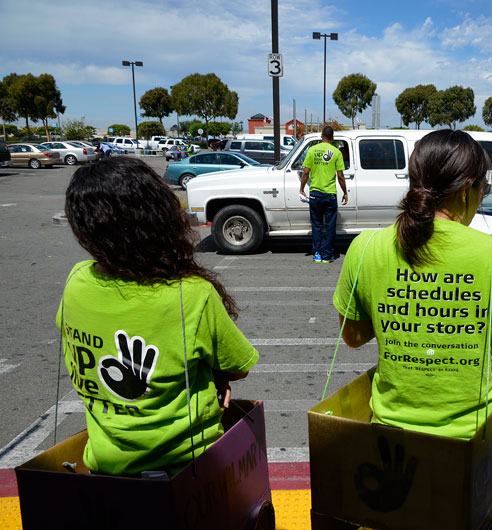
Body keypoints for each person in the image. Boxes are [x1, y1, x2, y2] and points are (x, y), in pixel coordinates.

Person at [333, 129, 492, 439]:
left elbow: (352, 336)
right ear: (465, 190)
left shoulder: (366, 246)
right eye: (483, 188)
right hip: (474, 443)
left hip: (389, 443)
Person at [58, 157, 259, 477]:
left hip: (106, 470)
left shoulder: (77, 281)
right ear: (158, 218)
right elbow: (238, 367)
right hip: (191, 473)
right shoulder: (191, 293)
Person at [299, 125, 348, 263]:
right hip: (330, 195)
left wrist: (302, 188)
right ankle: (327, 255)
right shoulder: (336, 152)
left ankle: (317, 254)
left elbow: (306, 172)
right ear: (332, 138)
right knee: (330, 226)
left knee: (317, 226)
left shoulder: (312, 150)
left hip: (315, 194)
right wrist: (345, 192)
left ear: (321, 137)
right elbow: (340, 176)